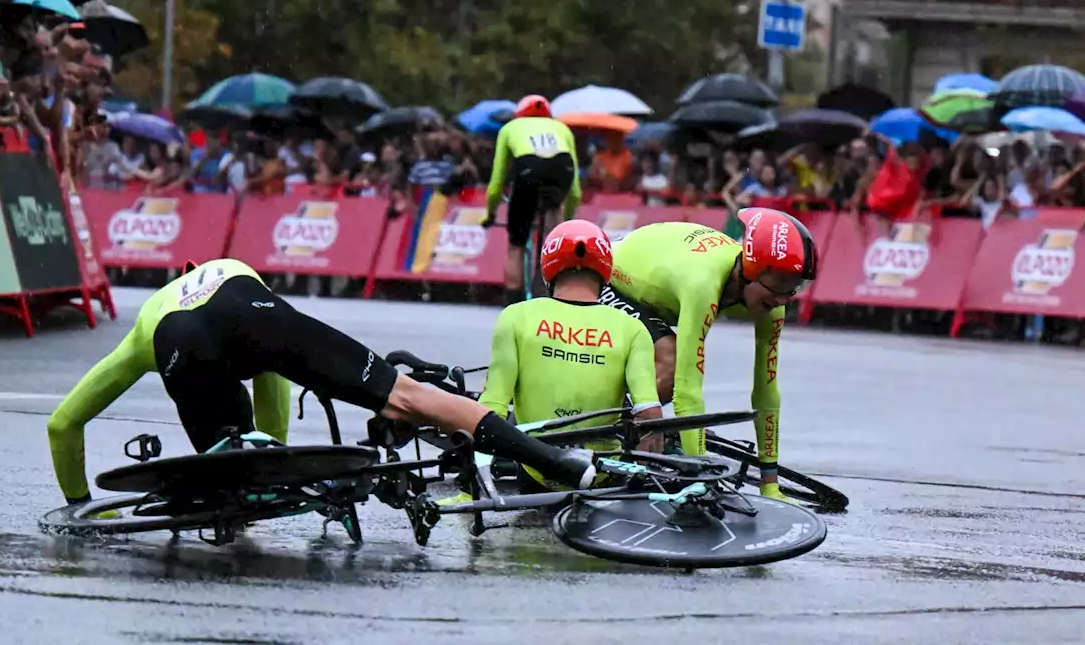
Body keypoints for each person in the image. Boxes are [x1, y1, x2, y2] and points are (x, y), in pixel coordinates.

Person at [46, 258, 596, 505]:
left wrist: (76, 503)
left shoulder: (143, 329)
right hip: (250, 303)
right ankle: (558, 462)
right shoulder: (228, 266)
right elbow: (274, 374)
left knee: (224, 468)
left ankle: (233, 494)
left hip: (176, 345)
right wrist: (280, 449)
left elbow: (62, 424)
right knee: (410, 397)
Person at [597, 208, 818, 500]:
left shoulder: (772, 302)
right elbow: (687, 388)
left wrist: (770, 484)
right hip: (607, 277)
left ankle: (631, 423)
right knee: (671, 359)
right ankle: (604, 430)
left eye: (794, 288)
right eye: (780, 285)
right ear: (753, 267)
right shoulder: (703, 283)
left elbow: (766, 391)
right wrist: (700, 474)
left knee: (667, 368)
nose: (782, 300)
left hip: (655, 288)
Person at [479, 220, 662, 491]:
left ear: (548, 266)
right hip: (602, 472)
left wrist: (469, 484)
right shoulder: (632, 328)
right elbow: (649, 413)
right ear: (605, 269)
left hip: (536, 467)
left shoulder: (515, 316)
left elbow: (492, 406)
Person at [483, 95, 582, 305]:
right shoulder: (561, 128)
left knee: (516, 245)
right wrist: (568, 220)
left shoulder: (510, 127)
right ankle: (556, 291)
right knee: (555, 236)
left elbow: (496, 182)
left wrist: (490, 213)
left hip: (529, 169)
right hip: (561, 168)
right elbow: (575, 191)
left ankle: (512, 302)